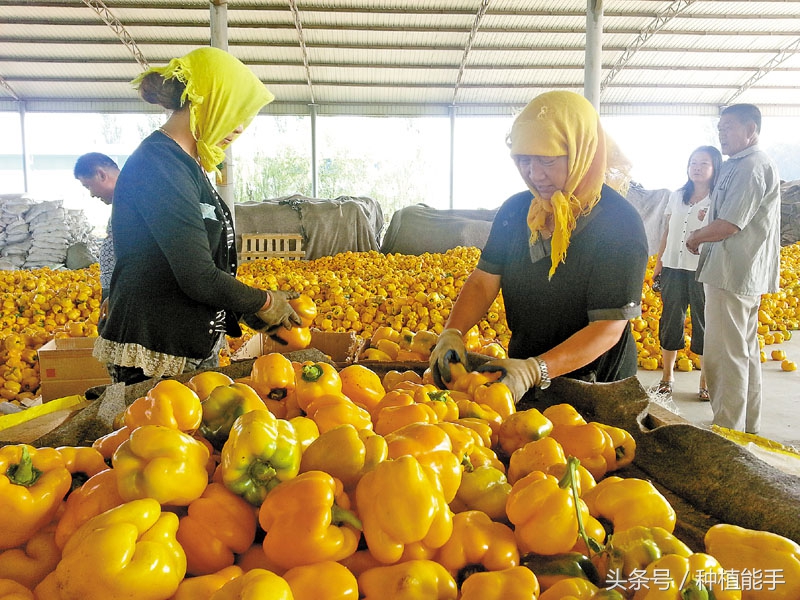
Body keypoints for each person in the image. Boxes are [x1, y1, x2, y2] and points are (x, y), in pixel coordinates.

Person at [93, 47, 301, 385]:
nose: (240, 127)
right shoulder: (159, 165)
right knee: (147, 435)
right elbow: (196, 275)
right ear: (211, 101)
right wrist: (262, 301)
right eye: (237, 111)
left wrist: (246, 310)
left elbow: (197, 260)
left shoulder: (187, 164)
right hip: (154, 350)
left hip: (185, 343)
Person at [430, 91, 648, 403]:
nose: (534, 174)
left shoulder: (618, 223)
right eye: (523, 160)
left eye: (547, 160)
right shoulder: (516, 212)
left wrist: (536, 370)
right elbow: (483, 282)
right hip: (523, 375)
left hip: (597, 385)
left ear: (581, 152)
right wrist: (453, 332)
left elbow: (608, 327)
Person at [686, 104, 781, 434]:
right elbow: (728, 213)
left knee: (726, 357)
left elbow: (731, 224)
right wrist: (708, 219)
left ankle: (726, 430)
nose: (721, 133)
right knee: (744, 352)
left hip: (732, 272)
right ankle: (745, 428)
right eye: (719, 127)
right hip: (739, 273)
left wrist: (697, 236)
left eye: (728, 127)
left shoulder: (750, 166)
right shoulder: (741, 164)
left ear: (750, 129)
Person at [652, 145, 722, 400]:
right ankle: (667, 377)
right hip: (672, 266)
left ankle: (705, 382)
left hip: (702, 270)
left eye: (704, 163)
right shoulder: (677, 195)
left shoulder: (717, 199)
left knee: (703, 322)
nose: (697, 167)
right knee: (670, 319)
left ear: (715, 168)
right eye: (694, 162)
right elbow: (668, 231)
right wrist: (659, 262)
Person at [74, 152, 119, 327]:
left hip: (125, 291)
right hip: (117, 289)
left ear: (101, 174)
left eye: (88, 186)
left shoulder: (135, 199)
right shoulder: (124, 200)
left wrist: (117, 293)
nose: (92, 194)